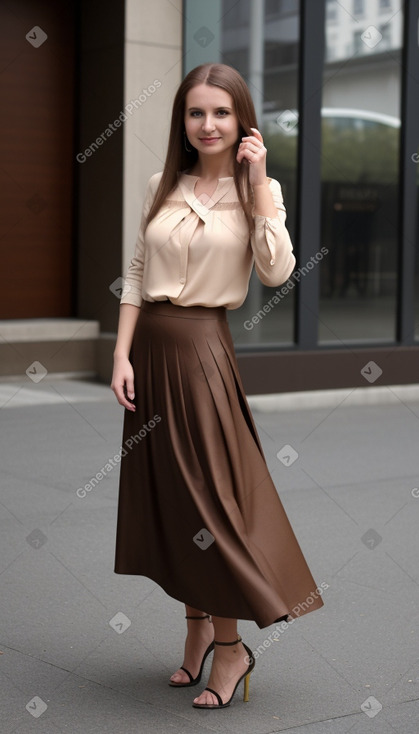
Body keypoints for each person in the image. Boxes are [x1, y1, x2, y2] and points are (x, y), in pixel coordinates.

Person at [111, 62, 323, 710]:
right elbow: (140, 271)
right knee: (174, 500)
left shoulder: (261, 188)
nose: (207, 125)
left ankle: (232, 649)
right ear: (182, 120)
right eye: (195, 113)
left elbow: (276, 271)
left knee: (212, 504)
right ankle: (196, 630)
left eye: (221, 113)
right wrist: (121, 354)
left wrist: (257, 186)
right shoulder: (161, 183)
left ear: (242, 121)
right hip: (150, 351)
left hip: (203, 352)